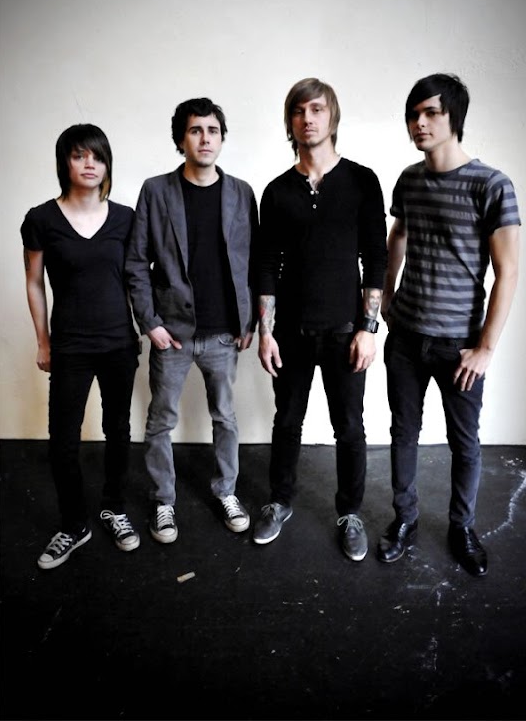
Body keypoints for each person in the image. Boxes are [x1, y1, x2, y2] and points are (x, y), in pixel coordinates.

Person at [377, 73, 521, 577]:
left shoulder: (492, 184)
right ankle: (404, 519)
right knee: (403, 433)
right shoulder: (409, 180)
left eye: (431, 113)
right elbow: (398, 233)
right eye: (413, 114)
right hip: (405, 339)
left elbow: (508, 271)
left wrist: (486, 348)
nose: (419, 123)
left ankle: (462, 527)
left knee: (465, 442)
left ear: (453, 117)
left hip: (460, 344)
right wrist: (387, 292)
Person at [253, 77, 388, 561]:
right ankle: (279, 501)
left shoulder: (362, 181)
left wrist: (368, 329)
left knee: (349, 426)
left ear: (332, 116)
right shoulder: (277, 191)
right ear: (289, 122)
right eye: (298, 111)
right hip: (290, 331)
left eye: (316, 109)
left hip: (345, 330)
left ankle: (350, 513)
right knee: (287, 421)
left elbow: (376, 258)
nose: (307, 118)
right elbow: (266, 266)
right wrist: (266, 332)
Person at [125, 97, 258, 544]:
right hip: (173, 334)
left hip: (224, 334)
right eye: (195, 130)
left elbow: (251, 261)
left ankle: (227, 492)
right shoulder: (156, 191)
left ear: (222, 138)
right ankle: (163, 500)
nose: (205, 138)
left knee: (226, 418)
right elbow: (136, 262)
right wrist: (150, 323)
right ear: (181, 139)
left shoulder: (241, 193)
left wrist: (248, 322)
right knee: (161, 420)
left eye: (212, 130)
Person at [21, 124, 141, 570]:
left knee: (118, 430)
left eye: (98, 156)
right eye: (79, 155)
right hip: (70, 344)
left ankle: (114, 508)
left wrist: (147, 327)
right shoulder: (41, 219)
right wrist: (43, 341)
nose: (90, 164)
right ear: (65, 163)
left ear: (107, 164)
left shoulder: (126, 218)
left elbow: (135, 281)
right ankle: (74, 524)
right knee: (63, 440)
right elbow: (34, 282)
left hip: (118, 343)